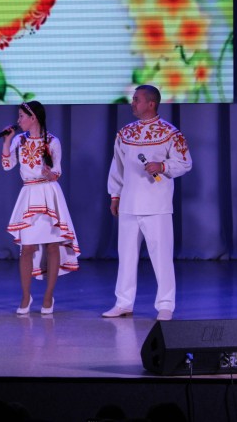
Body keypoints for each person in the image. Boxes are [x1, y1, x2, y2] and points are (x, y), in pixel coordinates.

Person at [103, 85, 192, 321]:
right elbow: (117, 167)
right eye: (133, 99)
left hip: (157, 206)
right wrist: (115, 195)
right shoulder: (125, 133)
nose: (132, 103)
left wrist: (162, 166)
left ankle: (165, 305)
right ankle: (123, 303)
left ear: (151, 103)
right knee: (126, 256)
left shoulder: (170, 133)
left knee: (161, 257)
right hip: (129, 204)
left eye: (137, 99)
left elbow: (185, 163)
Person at [1, 101, 80, 315]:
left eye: (21, 116)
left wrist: (49, 174)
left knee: (53, 245)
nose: (18, 120)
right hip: (29, 194)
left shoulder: (53, 141)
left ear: (33, 117)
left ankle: (48, 296)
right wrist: (7, 141)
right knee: (27, 247)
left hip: (49, 194)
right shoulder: (19, 140)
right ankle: (26, 296)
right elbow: (7, 166)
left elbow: (57, 172)